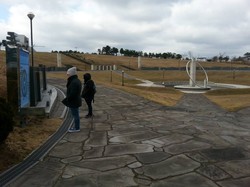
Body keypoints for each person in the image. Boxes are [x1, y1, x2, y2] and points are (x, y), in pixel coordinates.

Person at [62, 67, 82, 132]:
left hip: (74, 101)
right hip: (76, 100)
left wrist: (68, 100)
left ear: (71, 74)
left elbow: (73, 94)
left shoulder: (74, 82)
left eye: (68, 74)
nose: (67, 75)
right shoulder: (76, 80)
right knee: (76, 114)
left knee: (75, 115)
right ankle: (76, 127)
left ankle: (76, 128)